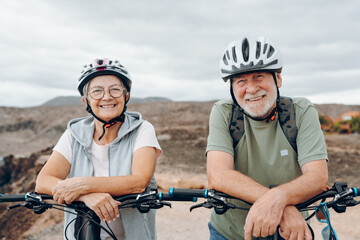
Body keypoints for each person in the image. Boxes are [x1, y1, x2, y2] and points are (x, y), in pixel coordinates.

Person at [206, 37, 329, 240]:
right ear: (232, 87)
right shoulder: (223, 112)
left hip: (289, 233)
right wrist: (282, 207)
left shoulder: (301, 111)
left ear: (278, 79)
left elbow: (318, 177)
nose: (252, 88)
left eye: (259, 76)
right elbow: (218, 175)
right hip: (230, 233)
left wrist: (276, 199)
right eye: (241, 81)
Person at [35, 58, 162, 240]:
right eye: (97, 91)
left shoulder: (142, 129)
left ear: (126, 96)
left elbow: (139, 182)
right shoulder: (73, 134)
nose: (107, 97)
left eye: (115, 89)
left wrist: (82, 185)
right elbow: (43, 181)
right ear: (85, 100)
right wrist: (86, 196)